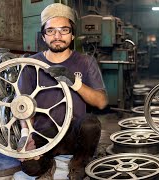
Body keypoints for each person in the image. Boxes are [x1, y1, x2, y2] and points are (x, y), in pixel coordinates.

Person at [16, 3, 108, 180]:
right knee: (30, 167)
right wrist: (26, 135)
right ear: (43, 36)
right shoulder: (31, 64)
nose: (57, 36)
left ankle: (78, 163)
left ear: (72, 35)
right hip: (43, 134)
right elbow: (23, 105)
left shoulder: (86, 62)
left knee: (91, 124)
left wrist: (74, 82)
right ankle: (47, 163)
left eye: (64, 30)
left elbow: (101, 102)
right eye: (50, 31)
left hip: (75, 134)